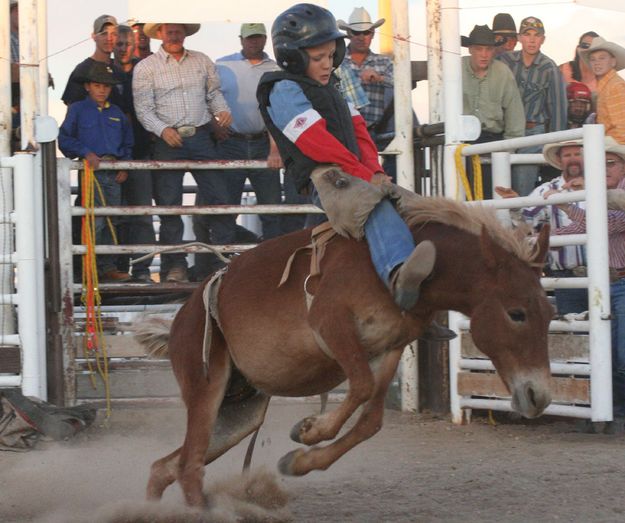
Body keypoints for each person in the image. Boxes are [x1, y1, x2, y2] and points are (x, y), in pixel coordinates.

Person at [257, 3, 454, 341]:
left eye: (330, 55)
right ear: (294, 57)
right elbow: (312, 140)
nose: (327, 64)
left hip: (354, 172)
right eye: (318, 57)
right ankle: (398, 277)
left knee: (418, 208)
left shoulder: (333, 87)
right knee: (370, 206)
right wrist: (362, 173)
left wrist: (375, 171)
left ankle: (425, 304)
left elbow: (360, 131)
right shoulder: (283, 89)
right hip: (325, 177)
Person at [132, 22, 232, 283]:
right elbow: (143, 109)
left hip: (200, 134)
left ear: (185, 33)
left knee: (220, 198)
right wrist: (162, 130)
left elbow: (213, 94)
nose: (174, 35)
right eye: (169, 31)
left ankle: (224, 260)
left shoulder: (201, 61)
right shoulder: (146, 67)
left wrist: (222, 110)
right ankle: (174, 266)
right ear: (160, 34)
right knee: (169, 205)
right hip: (168, 139)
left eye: (178, 30)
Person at [192, 23, 283, 280]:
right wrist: (214, 125)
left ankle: (274, 266)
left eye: (258, 38)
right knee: (226, 207)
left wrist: (274, 149)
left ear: (265, 39)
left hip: (264, 144)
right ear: (241, 39)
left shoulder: (275, 69)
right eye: (249, 38)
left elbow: (277, 112)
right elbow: (207, 97)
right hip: (231, 141)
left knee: (271, 207)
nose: (253, 42)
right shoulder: (222, 66)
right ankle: (224, 267)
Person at [550, 137, 625, 425]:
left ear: (622, 167)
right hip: (606, 283)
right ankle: (612, 411)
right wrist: (538, 238)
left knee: (618, 353)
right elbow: (586, 225)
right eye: (600, 162)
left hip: (617, 281)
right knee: (608, 351)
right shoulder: (600, 194)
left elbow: (610, 222)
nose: (605, 168)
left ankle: (611, 409)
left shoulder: (609, 194)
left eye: (611, 162)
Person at [58, 62, 134, 282]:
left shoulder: (117, 113)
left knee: (113, 219)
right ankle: (90, 266)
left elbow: (128, 142)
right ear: (88, 87)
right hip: (92, 172)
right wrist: (85, 152)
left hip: (113, 170)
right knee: (94, 220)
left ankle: (107, 266)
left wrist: (125, 164)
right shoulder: (78, 110)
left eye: (106, 86)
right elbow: (64, 139)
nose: (102, 90)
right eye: (98, 85)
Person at [495, 140, 586, 315]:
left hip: (608, 275)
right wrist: (515, 204)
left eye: (578, 154)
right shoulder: (547, 189)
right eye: (567, 155)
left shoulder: (604, 185)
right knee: (578, 332)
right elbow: (526, 221)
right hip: (567, 277)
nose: (573, 159)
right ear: (559, 161)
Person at [497, 16, 568, 196]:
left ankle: (522, 220)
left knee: (522, 183)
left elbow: (558, 110)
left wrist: (555, 147)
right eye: (527, 34)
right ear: (519, 38)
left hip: (533, 133)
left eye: (537, 35)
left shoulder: (549, 67)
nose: (532, 39)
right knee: (497, 181)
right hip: (504, 132)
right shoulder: (505, 62)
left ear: (543, 39)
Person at [461, 24, 525, 199]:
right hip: (462, 143)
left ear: (494, 51)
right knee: (462, 199)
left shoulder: (503, 72)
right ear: (470, 50)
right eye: (479, 49)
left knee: (493, 199)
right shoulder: (456, 69)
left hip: (493, 142)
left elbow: (515, 116)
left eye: (488, 49)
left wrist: (507, 153)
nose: (484, 54)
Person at [112, 25, 155, 282]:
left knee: (141, 215)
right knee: (114, 216)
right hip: (111, 157)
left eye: (128, 44)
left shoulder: (145, 70)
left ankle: (141, 270)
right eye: (119, 44)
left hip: (140, 153)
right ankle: (115, 269)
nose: (124, 49)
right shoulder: (103, 73)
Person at [336, 7, 398, 177]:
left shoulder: (384, 62)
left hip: (376, 129)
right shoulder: (337, 61)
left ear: (372, 34)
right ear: (349, 33)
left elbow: (402, 86)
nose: (362, 37)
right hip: (345, 129)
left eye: (366, 32)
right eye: (357, 32)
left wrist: (379, 78)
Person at [62, 15, 124, 108]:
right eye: (104, 33)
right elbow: (72, 112)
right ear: (94, 36)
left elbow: (125, 114)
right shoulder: (82, 70)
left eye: (113, 34)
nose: (109, 38)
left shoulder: (119, 73)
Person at [580, 37, 625, 144]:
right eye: (593, 59)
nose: (597, 63)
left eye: (602, 58)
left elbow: (622, 129)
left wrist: (607, 150)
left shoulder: (615, 86)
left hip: (614, 149)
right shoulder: (607, 85)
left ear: (613, 62)